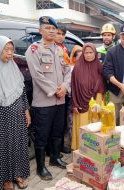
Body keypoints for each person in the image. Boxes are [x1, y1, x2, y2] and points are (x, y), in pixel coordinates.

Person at [25, 16, 71, 180]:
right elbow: (37, 76)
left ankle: (55, 157)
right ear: (40, 30)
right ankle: (41, 167)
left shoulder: (60, 50)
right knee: (42, 135)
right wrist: (55, 90)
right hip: (44, 102)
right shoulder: (34, 50)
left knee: (57, 131)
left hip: (60, 100)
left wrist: (65, 87)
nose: (51, 31)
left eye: (54, 29)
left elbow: (69, 70)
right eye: (47, 28)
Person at [0, 36, 30, 190]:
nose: (10, 53)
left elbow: (22, 92)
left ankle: (17, 173)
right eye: (6, 49)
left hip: (17, 118)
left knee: (18, 145)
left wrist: (26, 111)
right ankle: (5, 179)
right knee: (2, 149)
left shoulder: (14, 68)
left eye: (12, 50)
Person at [71, 43, 106, 150]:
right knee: (83, 125)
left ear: (95, 53)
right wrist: (75, 104)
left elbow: (104, 85)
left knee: (96, 125)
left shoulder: (99, 66)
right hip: (81, 101)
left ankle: (95, 149)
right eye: (86, 53)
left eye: (91, 52)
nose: (88, 55)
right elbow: (74, 87)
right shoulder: (77, 67)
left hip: (97, 100)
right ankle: (81, 148)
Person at [54, 23, 71, 154]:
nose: (60, 36)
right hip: (53, 89)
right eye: (58, 33)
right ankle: (52, 149)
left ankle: (59, 146)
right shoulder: (50, 48)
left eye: (62, 34)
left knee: (62, 121)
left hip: (64, 89)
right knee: (52, 123)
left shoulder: (64, 49)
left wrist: (65, 87)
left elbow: (67, 69)